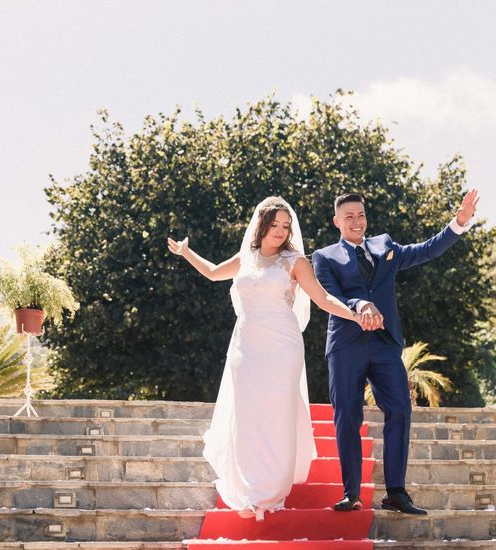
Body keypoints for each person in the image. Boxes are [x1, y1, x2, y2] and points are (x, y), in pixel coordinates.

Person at [167, 196, 367, 521]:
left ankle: (269, 495)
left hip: (283, 346)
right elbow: (214, 273)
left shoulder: (295, 261)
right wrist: (186, 252)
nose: (280, 230)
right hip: (246, 345)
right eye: (274, 224)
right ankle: (249, 492)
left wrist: (355, 315)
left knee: (276, 414)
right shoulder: (246, 257)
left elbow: (323, 298)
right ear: (261, 225)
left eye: (285, 225)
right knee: (248, 417)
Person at [312, 189, 479, 515]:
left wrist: (459, 222)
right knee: (348, 416)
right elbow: (327, 296)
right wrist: (360, 303)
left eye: (360, 215)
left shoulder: (385, 246)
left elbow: (426, 251)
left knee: (401, 409)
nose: (356, 221)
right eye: (349, 216)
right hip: (346, 345)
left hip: (386, 344)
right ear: (337, 221)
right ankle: (352, 493)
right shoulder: (324, 256)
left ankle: (396, 493)